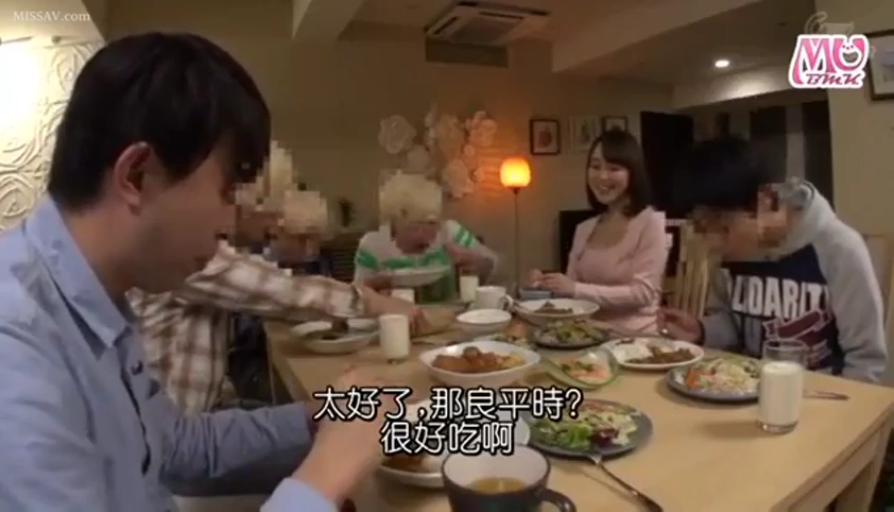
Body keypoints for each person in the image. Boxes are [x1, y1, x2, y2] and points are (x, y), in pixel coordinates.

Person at [0, 32, 390, 511]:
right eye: (228, 192)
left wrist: (326, 418)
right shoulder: (16, 343)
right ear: (137, 175)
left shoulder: (101, 303)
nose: (230, 225)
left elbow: (181, 446)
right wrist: (326, 473)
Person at [660, 136, 887, 383]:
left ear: (764, 201)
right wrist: (702, 330)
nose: (712, 242)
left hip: (821, 395)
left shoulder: (837, 248)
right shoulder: (728, 254)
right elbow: (731, 326)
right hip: (743, 390)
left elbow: (865, 361)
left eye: (720, 226)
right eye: (701, 227)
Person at [130, 238, 421, 414]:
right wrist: (372, 302)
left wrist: (361, 294)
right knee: (347, 432)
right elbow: (284, 292)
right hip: (176, 444)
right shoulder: (185, 252)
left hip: (203, 414)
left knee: (340, 417)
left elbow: (279, 289)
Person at [529, 130, 668, 332]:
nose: (602, 176)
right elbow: (570, 292)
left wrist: (575, 288)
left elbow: (643, 293)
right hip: (585, 333)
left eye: (614, 168)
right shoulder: (584, 229)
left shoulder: (650, 222)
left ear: (633, 173)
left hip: (634, 337)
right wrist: (545, 283)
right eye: (595, 166)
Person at [354, 172, 499, 303]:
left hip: (448, 315)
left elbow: (496, 265)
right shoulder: (373, 245)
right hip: (397, 318)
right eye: (415, 226)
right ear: (396, 222)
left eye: (432, 223)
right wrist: (375, 284)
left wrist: (472, 259)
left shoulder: (449, 232)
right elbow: (355, 295)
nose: (426, 235)